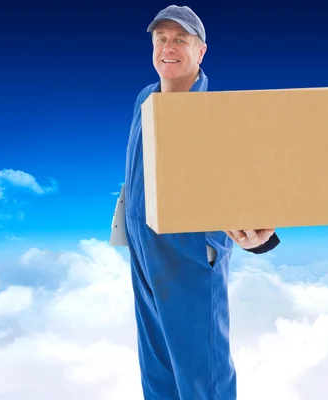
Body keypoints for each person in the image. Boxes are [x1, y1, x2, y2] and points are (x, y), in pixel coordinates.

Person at [123, 5, 281, 400]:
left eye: (180, 39)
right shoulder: (146, 97)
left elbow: (259, 179)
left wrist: (261, 237)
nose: (168, 47)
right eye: (161, 39)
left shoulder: (218, 112)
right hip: (144, 247)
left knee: (201, 370)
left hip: (193, 250)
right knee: (157, 365)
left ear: (201, 51)